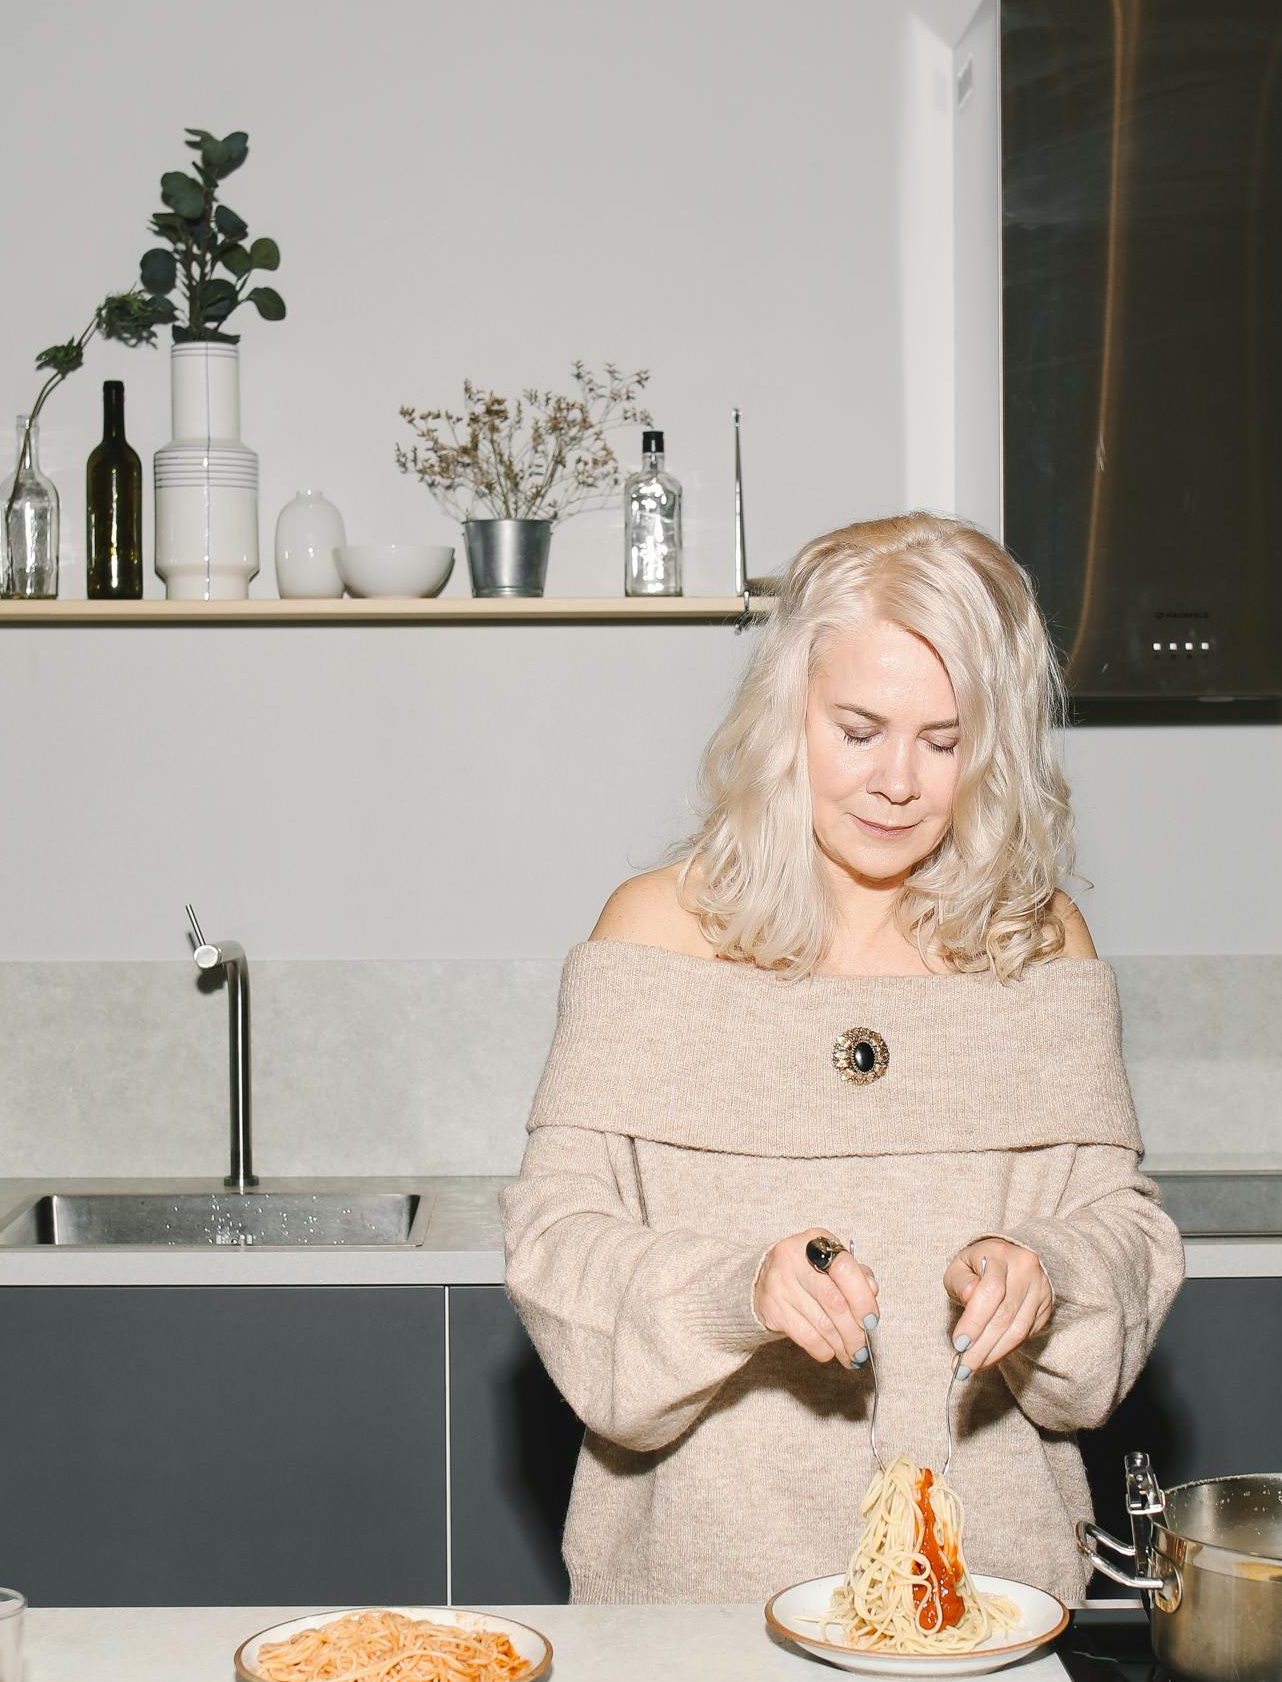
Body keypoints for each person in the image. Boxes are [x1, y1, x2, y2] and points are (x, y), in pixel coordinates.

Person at [502, 510, 1184, 1604]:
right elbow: (555, 1247)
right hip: (697, 1595)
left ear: (993, 748)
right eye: (857, 728)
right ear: (786, 718)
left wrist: (1043, 1274)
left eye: (942, 739)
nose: (895, 782)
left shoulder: (1041, 939)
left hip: (989, 1601)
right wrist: (739, 1290)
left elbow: (1125, 1232)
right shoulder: (651, 933)